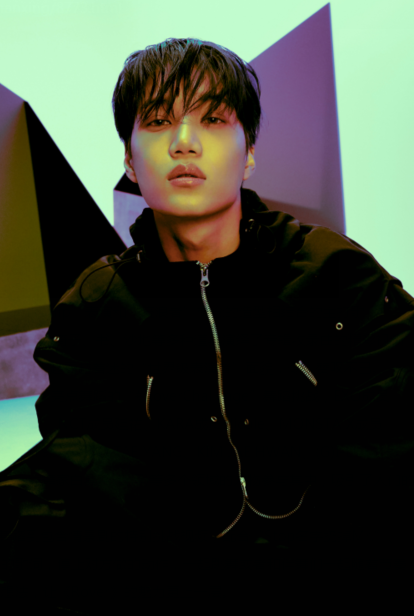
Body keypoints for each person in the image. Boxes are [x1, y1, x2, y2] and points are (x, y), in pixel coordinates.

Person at [1, 37, 414, 612]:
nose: (184, 142)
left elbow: (395, 432)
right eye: (157, 121)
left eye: (213, 119)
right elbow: (81, 470)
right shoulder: (95, 306)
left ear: (249, 153)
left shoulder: (335, 273)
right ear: (129, 160)